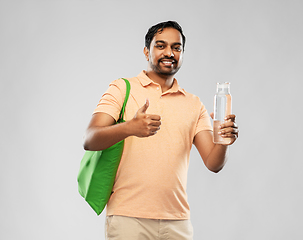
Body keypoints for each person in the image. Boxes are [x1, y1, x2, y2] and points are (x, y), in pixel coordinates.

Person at [83, 20, 239, 240]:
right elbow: (90, 139)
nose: (170, 52)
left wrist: (224, 141)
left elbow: (213, 163)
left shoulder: (194, 104)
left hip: (177, 222)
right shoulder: (121, 88)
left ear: (183, 54)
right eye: (161, 45)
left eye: (177, 48)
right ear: (147, 51)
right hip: (128, 218)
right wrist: (130, 128)